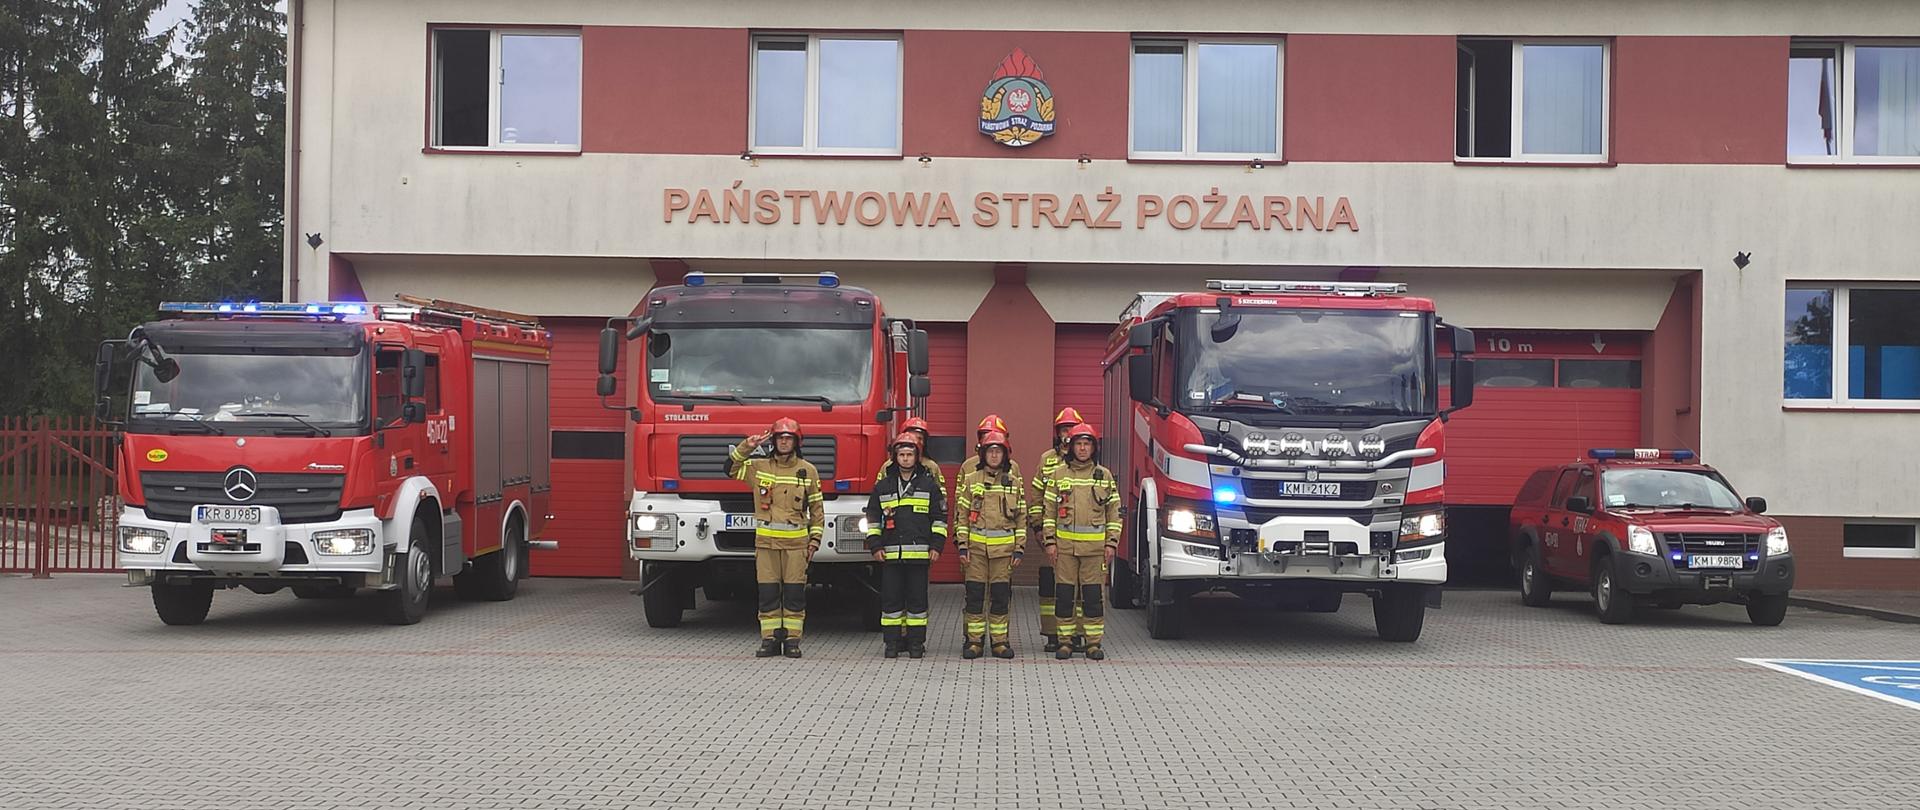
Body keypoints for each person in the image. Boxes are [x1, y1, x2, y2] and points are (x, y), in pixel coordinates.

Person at [727, 418, 824, 659]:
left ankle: (792, 640)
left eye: (788, 438)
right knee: (768, 593)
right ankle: (768, 640)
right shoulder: (758, 467)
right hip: (766, 545)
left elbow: (817, 509)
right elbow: (729, 468)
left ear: (796, 442)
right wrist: (746, 446)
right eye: (780, 437)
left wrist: (814, 542)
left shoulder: (808, 470)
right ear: (773, 441)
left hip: (796, 546)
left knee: (794, 594)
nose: (783, 441)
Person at [1041, 423, 1121, 660]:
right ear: (1070, 447)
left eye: (1087, 444)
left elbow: (1114, 513)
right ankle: (1065, 642)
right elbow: (1049, 512)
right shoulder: (1058, 474)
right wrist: (1050, 542)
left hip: (1095, 551)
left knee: (1093, 596)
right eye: (1078, 444)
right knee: (1065, 595)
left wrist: (1111, 543)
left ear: (1094, 447)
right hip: (1065, 549)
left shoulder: (1103, 476)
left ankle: (1093, 643)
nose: (1083, 448)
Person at [865, 433, 948, 659]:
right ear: (895, 458)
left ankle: (915, 644)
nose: (905, 459)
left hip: (920, 556)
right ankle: (891, 644)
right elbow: (872, 517)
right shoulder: (883, 486)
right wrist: (875, 546)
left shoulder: (929, 485)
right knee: (891, 601)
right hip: (890, 555)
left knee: (917, 602)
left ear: (917, 457)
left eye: (909, 455)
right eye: (901, 455)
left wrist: (937, 546)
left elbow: (939, 518)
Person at [954, 430, 1025, 659]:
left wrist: (1019, 548)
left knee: (1000, 597)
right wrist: (962, 546)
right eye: (991, 451)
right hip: (975, 552)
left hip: (1003, 553)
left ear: (1005, 455)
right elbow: (962, 515)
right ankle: (974, 642)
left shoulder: (1013, 482)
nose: (994, 456)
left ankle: (999, 642)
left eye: (998, 452)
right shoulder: (970, 480)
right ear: (983, 454)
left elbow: (1021, 518)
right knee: (974, 597)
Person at [1030, 407, 1084, 652]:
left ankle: (1077, 634)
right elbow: (1037, 495)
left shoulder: (1088, 459)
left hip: (1082, 537)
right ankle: (1053, 632)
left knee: (1081, 587)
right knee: (1053, 586)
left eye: (1071, 429)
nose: (1067, 434)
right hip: (1053, 534)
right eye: (1064, 429)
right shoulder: (1047, 459)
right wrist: (1038, 528)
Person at [875, 416, 945, 487]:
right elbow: (878, 491)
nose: (916, 441)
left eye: (920, 438)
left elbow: (940, 494)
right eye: (912, 437)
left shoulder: (932, 467)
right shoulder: (888, 466)